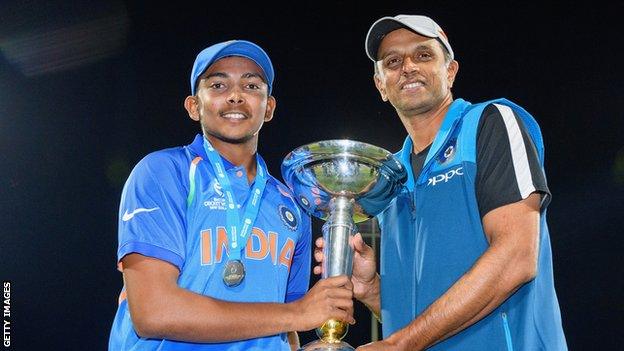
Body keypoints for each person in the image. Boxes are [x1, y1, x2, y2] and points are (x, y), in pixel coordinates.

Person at [314, 15, 567, 350]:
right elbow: (418, 320)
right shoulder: (392, 176)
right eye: (393, 62)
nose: (408, 67)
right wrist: (373, 289)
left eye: (423, 55)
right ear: (381, 85)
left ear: (450, 71)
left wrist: (399, 344)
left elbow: (517, 257)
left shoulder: (489, 124)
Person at [108, 39, 354, 351]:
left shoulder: (291, 205)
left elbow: (288, 326)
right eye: (219, 85)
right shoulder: (163, 172)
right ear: (193, 106)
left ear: (269, 108)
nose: (236, 96)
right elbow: (154, 313)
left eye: (252, 86)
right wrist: (296, 313)